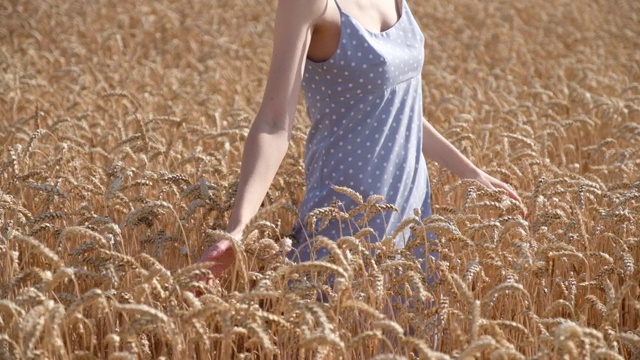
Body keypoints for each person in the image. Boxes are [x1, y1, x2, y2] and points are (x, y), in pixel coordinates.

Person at [198, 0, 522, 276]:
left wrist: (470, 172)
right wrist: (239, 226)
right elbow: (274, 122)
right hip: (342, 219)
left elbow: (398, 108)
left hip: (412, 216)